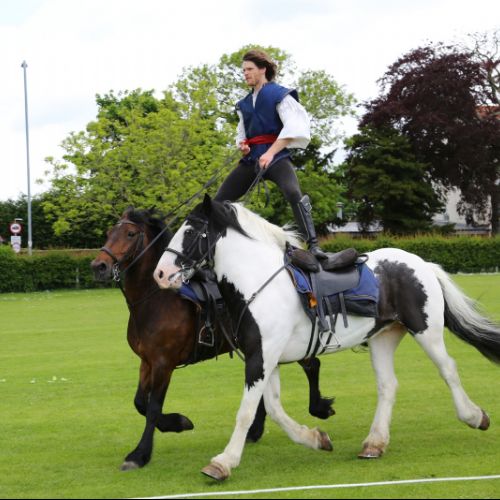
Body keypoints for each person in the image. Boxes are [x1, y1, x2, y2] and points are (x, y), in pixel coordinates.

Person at [214, 49, 327, 259]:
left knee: (293, 192)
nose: (245, 73)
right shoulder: (244, 103)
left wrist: (271, 153)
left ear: (263, 69)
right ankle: (212, 250)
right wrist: (244, 146)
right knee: (217, 202)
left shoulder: (280, 95)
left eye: (249, 69)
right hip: (251, 159)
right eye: (243, 70)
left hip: (277, 157)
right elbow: (242, 133)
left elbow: (294, 127)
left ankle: (313, 246)